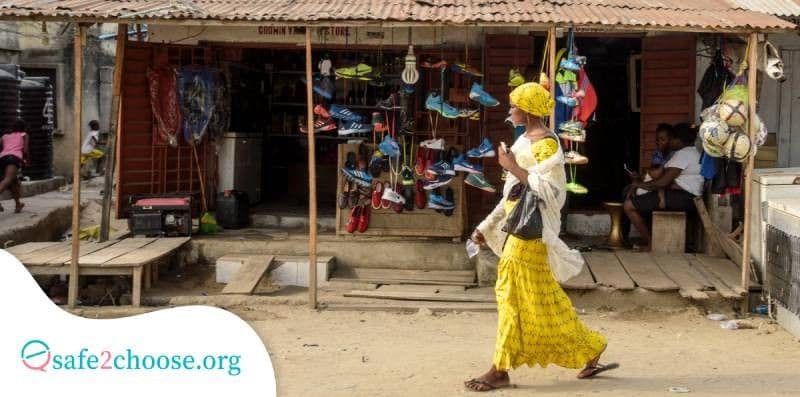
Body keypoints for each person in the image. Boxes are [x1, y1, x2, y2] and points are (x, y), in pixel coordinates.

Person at [465, 83, 616, 392]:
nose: (510, 111)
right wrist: (485, 226)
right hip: (518, 228)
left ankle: (499, 369)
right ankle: (591, 348)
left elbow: (549, 191)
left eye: (514, 106)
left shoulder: (548, 145)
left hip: (532, 234)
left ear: (529, 111)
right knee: (542, 299)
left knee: (510, 295)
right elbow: (512, 195)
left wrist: (511, 166)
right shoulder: (524, 140)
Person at [623, 123, 704, 251]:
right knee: (641, 199)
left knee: (629, 205)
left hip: (682, 199)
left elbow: (662, 183)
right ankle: (651, 239)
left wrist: (638, 184)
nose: (670, 142)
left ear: (678, 140)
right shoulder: (694, 152)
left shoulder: (683, 155)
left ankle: (651, 244)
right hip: (689, 198)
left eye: (672, 139)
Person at [620, 123, 674, 244]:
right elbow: (650, 173)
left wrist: (642, 183)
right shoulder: (657, 153)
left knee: (632, 195)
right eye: (657, 139)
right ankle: (623, 234)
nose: (659, 142)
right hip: (652, 184)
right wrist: (638, 177)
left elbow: (661, 178)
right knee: (627, 190)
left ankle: (643, 236)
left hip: (663, 188)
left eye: (662, 139)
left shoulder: (673, 156)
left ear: (671, 140)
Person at [0, 119, 29, 213]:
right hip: (13, 158)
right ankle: (17, 204)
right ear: (24, 128)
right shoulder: (24, 135)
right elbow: (25, 151)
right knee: (8, 179)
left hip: (2, 158)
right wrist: (26, 161)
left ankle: (18, 204)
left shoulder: (4, 136)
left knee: (14, 182)